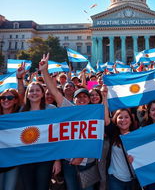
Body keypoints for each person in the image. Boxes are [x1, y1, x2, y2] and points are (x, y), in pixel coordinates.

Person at [39, 53, 110, 190]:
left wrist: (105, 96)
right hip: (69, 162)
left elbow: (99, 132)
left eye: (85, 97)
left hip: (87, 163)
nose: (82, 99)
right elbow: (54, 91)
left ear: (89, 100)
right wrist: (44, 71)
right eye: (79, 97)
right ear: (74, 100)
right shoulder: (69, 109)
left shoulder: (94, 113)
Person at [16, 63, 58, 190]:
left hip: (45, 158)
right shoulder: (22, 111)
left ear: (43, 93)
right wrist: (19, 79)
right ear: (27, 94)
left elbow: (56, 135)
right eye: (31, 91)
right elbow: (19, 93)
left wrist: (57, 160)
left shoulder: (51, 109)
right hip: (26, 158)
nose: (34, 93)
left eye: (37, 90)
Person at [107, 109, 137, 190]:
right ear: (116, 122)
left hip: (133, 179)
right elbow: (106, 120)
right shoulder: (112, 135)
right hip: (115, 179)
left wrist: (134, 159)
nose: (123, 120)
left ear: (131, 120)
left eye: (126, 117)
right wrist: (105, 98)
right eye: (120, 117)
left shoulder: (137, 136)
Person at [0, 89, 21, 190]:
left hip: (13, 163)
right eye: (3, 98)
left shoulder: (20, 116)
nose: (6, 100)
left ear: (15, 100)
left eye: (10, 98)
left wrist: (20, 79)